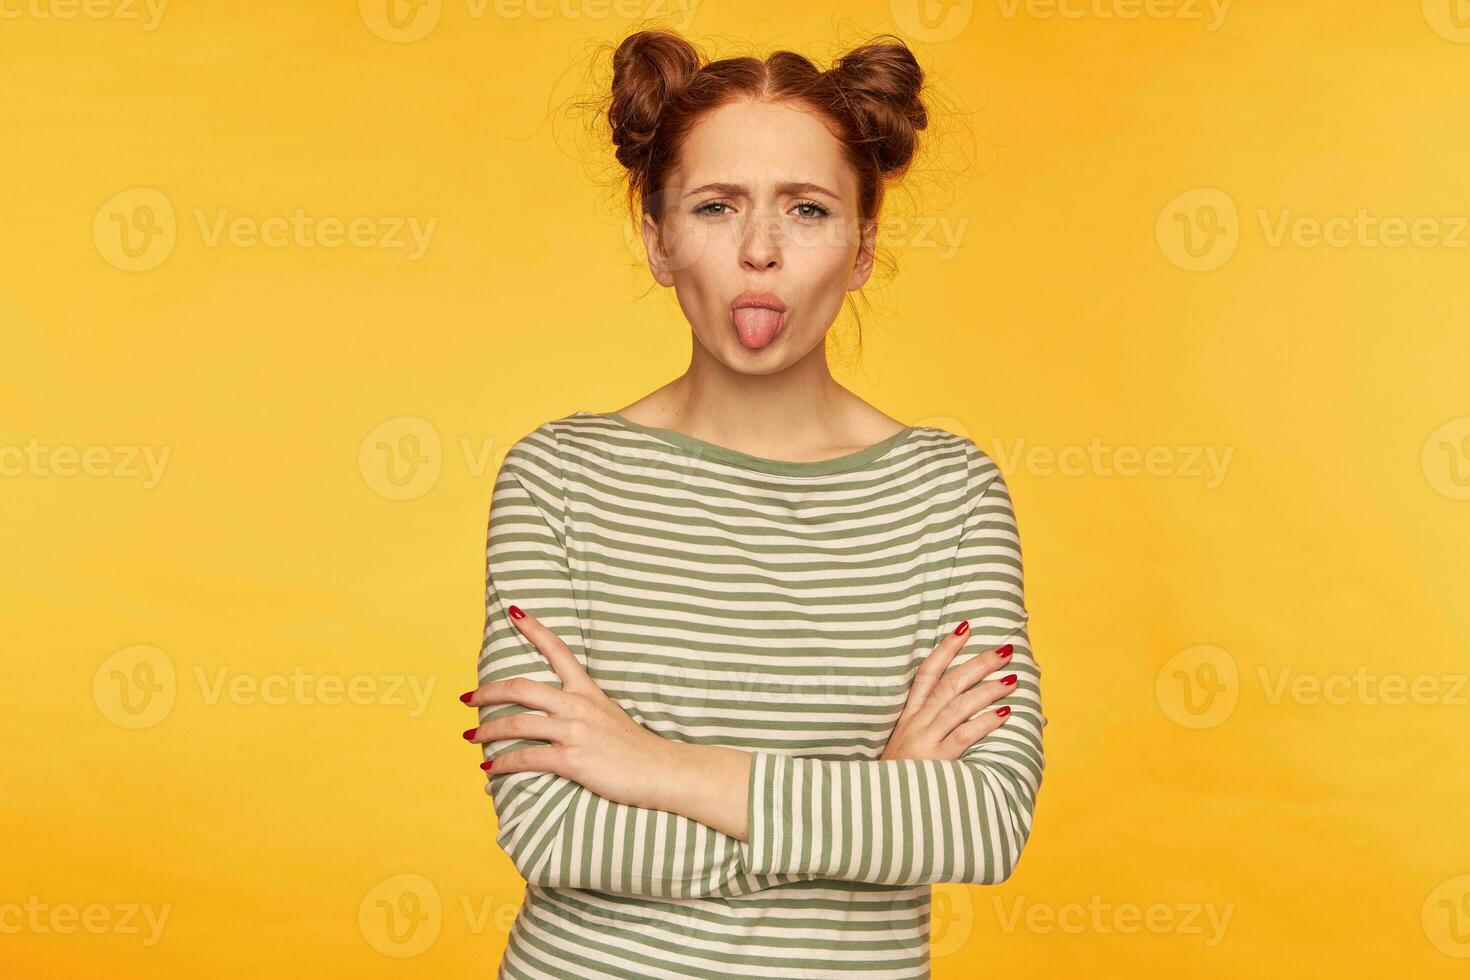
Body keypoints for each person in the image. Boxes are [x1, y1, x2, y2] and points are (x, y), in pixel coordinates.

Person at [460, 27, 1046, 979]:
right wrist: (882, 801)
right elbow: (554, 833)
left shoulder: (949, 492)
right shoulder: (558, 477)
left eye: (808, 209)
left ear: (862, 245)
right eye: (718, 206)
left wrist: (653, 767)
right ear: (657, 238)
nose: (761, 251)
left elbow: (983, 823)